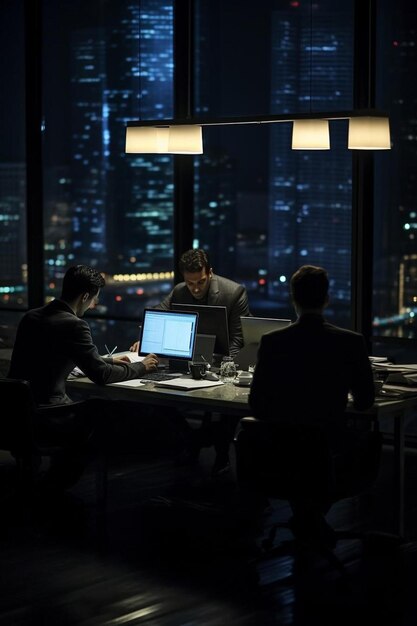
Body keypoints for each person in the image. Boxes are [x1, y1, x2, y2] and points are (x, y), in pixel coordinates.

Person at [248, 264, 375, 542]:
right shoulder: (350, 342)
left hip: (277, 453)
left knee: (299, 465)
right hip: (326, 452)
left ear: (293, 299)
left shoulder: (272, 342)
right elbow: (365, 402)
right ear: (327, 299)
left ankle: (306, 520)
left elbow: (256, 403)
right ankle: (311, 521)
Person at [8, 264, 159, 490]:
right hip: (46, 416)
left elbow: (58, 354)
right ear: (85, 296)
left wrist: (107, 360)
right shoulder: (74, 325)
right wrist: (143, 367)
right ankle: (52, 489)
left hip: (13, 413)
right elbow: (102, 375)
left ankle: (44, 486)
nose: (94, 305)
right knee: (104, 412)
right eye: (94, 299)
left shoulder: (31, 317)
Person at [130, 248, 251, 357]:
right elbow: (156, 315)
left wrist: (226, 368)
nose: (196, 289)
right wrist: (145, 342)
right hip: (187, 360)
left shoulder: (234, 293)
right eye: (190, 283)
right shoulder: (180, 291)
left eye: (201, 282)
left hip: (221, 360)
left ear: (210, 273)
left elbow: (238, 340)